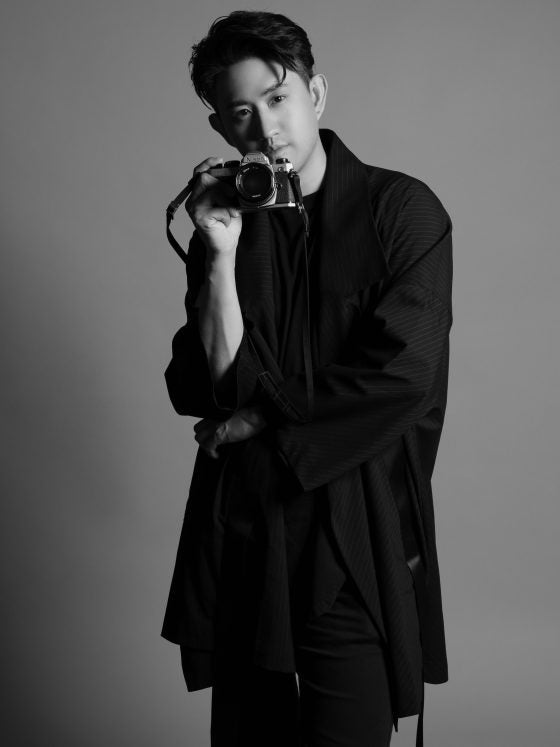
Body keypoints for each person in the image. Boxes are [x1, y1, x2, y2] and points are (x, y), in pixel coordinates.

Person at [161, 10, 453, 747]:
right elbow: (210, 389)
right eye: (241, 113)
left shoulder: (401, 209)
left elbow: (405, 371)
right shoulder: (227, 222)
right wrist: (219, 255)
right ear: (221, 126)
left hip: (355, 528)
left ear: (316, 94)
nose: (266, 128)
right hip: (249, 525)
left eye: (278, 98)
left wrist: (261, 417)